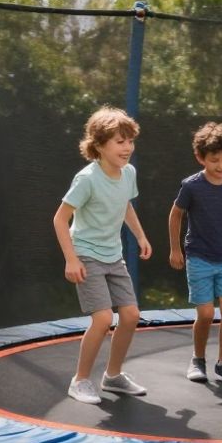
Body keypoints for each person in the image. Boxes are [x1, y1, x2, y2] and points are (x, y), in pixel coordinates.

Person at [53, 106, 153, 404]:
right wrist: (71, 259)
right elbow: (60, 219)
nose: (127, 148)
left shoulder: (128, 173)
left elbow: (125, 205)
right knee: (102, 318)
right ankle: (80, 380)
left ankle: (113, 376)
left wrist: (140, 235)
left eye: (130, 141)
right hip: (86, 254)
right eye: (119, 142)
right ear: (99, 146)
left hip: (113, 254)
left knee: (132, 315)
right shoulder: (87, 179)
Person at [168, 122, 222, 384]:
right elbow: (176, 215)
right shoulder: (192, 186)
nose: (221, 166)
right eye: (215, 160)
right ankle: (198, 358)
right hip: (199, 255)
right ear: (200, 157)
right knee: (205, 314)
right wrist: (175, 248)